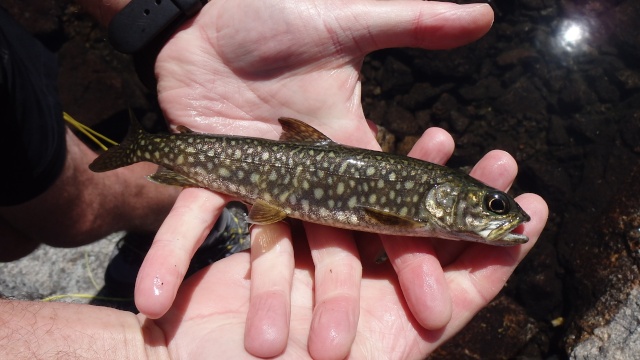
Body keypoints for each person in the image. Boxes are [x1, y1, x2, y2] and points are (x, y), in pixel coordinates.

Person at [0, 0, 549, 359]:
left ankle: (195, 201)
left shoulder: (428, 206)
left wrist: (165, 25)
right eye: (492, 208)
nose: (501, 217)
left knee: (53, 211)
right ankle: (201, 203)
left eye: (494, 208)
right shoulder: (412, 213)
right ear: (443, 200)